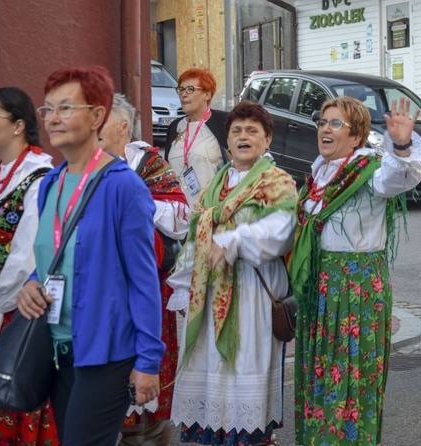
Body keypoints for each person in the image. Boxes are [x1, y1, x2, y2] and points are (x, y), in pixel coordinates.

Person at [15, 66, 165, 445]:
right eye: (48, 109)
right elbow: (51, 259)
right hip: (57, 348)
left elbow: (143, 281)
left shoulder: (123, 187)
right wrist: (31, 285)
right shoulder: (51, 182)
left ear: (98, 115)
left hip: (107, 354)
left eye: (66, 107)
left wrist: (148, 362)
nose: (53, 118)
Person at [292, 96, 421, 445]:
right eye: (323, 122)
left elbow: (399, 179)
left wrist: (400, 145)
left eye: (336, 124)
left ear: (356, 137)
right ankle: (320, 437)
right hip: (321, 283)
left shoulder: (368, 168)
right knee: (322, 363)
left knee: (351, 366)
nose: (325, 128)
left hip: (356, 284)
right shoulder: (320, 170)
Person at [166, 100, 298, 445]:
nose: (243, 136)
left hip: (252, 293)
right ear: (227, 143)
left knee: (243, 368)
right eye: (237, 130)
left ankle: (249, 437)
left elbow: (281, 230)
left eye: (253, 130)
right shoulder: (217, 183)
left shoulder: (277, 181)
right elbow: (197, 233)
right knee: (211, 371)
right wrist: (184, 284)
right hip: (210, 294)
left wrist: (234, 240)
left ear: (267, 140)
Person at [99, 93, 190, 445]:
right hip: (98, 288)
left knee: (142, 364)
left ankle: (145, 432)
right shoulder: (82, 164)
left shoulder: (148, 164)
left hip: (142, 284)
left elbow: (181, 219)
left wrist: (136, 199)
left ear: (123, 126)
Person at [0, 87, 58, 444]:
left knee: (10, 396)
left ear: (18, 125)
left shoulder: (39, 177)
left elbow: (26, 258)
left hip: (12, 310)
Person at [164, 67, 229, 207]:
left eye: (190, 89)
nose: (183, 95)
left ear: (207, 94)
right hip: (179, 215)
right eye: (181, 90)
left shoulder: (224, 122)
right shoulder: (175, 126)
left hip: (210, 213)